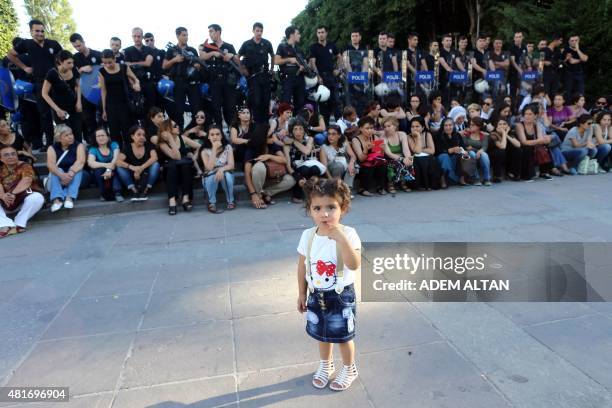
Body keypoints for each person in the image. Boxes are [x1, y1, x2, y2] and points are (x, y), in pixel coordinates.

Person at [296, 177, 361, 391]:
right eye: (317, 208)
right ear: (310, 210)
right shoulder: (308, 236)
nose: (324, 214)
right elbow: (302, 267)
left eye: (331, 207)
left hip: (341, 296)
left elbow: (354, 264)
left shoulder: (349, 234)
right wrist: (301, 294)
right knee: (321, 334)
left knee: (343, 336)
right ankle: (326, 365)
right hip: (316, 294)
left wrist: (341, 239)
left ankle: (350, 368)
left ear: (342, 207)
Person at [7, 20, 62, 150]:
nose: (40, 33)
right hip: (39, 83)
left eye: (42, 31)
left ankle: (62, 142)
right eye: (37, 31)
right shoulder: (26, 44)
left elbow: (63, 58)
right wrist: (25, 67)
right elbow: (10, 54)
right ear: (31, 32)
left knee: (59, 111)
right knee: (44, 114)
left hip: (56, 82)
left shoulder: (53, 44)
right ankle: (49, 144)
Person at [244, 124, 295, 209]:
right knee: (259, 166)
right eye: (271, 136)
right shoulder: (252, 148)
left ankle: (266, 193)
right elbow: (247, 173)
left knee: (291, 180)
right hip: (256, 180)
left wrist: (270, 156)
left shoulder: (272, 145)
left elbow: (284, 160)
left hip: (272, 178)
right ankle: (259, 196)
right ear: (262, 137)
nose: (274, 138)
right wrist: (253, 194)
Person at [163, 27, 203, 131]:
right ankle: (180, 133)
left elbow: (199, 64)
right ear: (177, 36)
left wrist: (197, 65)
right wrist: (175, 60)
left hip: (192, 83)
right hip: (178, 82)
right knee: (178, 110)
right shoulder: (171, 50)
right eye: (183, 35)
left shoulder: (192, 50)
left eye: (187, 35)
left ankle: (194, 132)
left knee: (196, 108)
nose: (186, 37)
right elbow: (164, 65)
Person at [156, 119, 200, 214]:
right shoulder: (162, 143)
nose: (178, 126)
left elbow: (199, 146)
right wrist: (171, 139)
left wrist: (194, 156)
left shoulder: (182, 138)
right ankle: (172, 200)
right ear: (167, 129)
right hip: (171, 173)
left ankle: (185, 198)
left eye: (177, 125)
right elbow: (176, 156)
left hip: (185, 171)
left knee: (186, 165)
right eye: (175, 125)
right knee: (172, 166)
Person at [99, 49, 141, 146]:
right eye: (105, 63)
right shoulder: (101, 71)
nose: (108, 65)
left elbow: (135, 79)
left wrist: (137, 84)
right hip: (110, 105)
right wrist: (104, 110)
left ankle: (130, 151)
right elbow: (103, 91)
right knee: (114, 131)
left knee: (128, 129)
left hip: (125, 103)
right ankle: (117, 154)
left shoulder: (123, 67)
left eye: (110, 62)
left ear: (115, 59)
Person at [0, 144, 44, 237]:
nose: (11, 156)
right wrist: (3, 196)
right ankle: (5, 225)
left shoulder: (25, 166)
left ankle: (18, 224)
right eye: (6, 155)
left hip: (22, 198)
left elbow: (26, 181)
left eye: (13, 154)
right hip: (5, 202)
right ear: (1, 159)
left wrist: (12, 194)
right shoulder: (1, 169)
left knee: (37, 197)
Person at [201, 24, 239, 128]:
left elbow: (238, 60)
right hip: (214, 81)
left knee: (230, 107)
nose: (210, 33)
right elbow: (202, 57)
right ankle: (219, 132)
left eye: (211, 31)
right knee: (215, 108)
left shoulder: (229, 46)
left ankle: (233, 131)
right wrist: (213, 53)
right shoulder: (208, 46)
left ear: (218, 32)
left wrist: (231, 56)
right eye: (209, 31)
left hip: (228, 82)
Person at [42, 50, 83, 142]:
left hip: (74, 107)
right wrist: (57, 110)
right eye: (68, 63)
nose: (71, 65)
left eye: (72, 62)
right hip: (60, 109)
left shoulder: (74, 70)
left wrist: (79, 102)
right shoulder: (52, 73)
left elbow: (78, 85)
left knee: (78, 134)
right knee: (65, 136)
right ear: (60, 61)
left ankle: (79, 154)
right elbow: (44, 93)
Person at [239, 22, 275, 124]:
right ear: (253, 31)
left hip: (265, 75)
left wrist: (272, 69)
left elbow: (273, 56)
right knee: (256, 100)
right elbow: (238, 57)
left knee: (266, 100)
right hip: (252, 76)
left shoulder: (267, 43)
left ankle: (264, 124)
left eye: (261, 31)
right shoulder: (247, 44)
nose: (259, 33)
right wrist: (242, 69)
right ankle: (255, 122)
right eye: (257, 31)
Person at [70, 33, 103, 144]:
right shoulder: (75, 58)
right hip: (84, 93)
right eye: (75, 46)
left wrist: (93, 68)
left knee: (102, 118)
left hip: (99, 92)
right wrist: (81, 69)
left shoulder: (97, 54)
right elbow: (76, 79)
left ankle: (104, 140)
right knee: (88, 119)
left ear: (83, 42)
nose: (78, 48)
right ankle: (93, 142)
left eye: (79, 45)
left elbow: (107, 68)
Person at [46, 124, 86, 212]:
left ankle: (69, 197)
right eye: (66, 135)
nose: (70, 137)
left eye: (71, 134)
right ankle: (56, 200)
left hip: (78, 176)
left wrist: (70, 173)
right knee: (56, 170)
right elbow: (51, 165)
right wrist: (61, 175)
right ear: (59, 138)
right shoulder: (52, 148)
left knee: (77, 170)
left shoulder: (79, 145)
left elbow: (80, 162)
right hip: (60, 178)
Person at [284, 118, 325, 203]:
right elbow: (288, 166)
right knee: (305, 169)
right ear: (292, 131)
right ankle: (299, 193)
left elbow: (306, 151)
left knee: (314, 168)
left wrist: (294, 142)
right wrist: (297, 177)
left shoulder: (309, 139)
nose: (298, 132)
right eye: (295, 129)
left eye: (301, 129)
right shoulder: (287, 145)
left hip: (311, 166)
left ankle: (313, 192)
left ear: (304, 130)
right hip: (297, 169)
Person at [116, 125, 160, 201]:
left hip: (146, 173)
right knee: (119, 168)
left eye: (143, 135)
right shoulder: (128, 147)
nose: (142, 137)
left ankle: (145, 190)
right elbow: (118, 161)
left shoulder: (148, 145)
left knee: (156, 165)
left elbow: (154, 158)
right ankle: (134, 191)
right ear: (132, 136)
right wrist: (132, 167)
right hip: (132, 174)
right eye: (138, 134)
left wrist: (140, 168)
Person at [309, 25, 341, 124]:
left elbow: (339, 57)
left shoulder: (332, 45)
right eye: (318, 33)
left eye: (322, 32)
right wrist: (318, 76)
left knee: (336, 102)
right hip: (321, 78)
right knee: (323, 104)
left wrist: (338, 69)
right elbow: (312, 62)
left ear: (326, 33)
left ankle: (340, 126)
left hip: (332, 77)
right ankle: (325, 128)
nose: (321, 35)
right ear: (317, 34)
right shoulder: (313, 47)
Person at [200, 125, 235, 213]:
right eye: (212, 135)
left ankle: (231, 200)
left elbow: (231, 165)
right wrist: (214, 148)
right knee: (212, 175)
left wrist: (221, 170)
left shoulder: (228, 147)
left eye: (217, 134)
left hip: (224, 174)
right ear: (208, 137)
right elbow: (209, 168)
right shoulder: (204, 151)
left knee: (226, 175)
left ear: (221, 136)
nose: (215, 137)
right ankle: (211, 202)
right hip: (210, 177)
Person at [124, 27, 156, 120]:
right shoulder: (127, 51)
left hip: (148, 83)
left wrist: (133, 63)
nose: (137, 38)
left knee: (151, 108)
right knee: (137, 109)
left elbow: (148, 63)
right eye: (135, 36)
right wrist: (132, 83)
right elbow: (126, 69)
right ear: (132, 37)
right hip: (135, 83)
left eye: (139, 36)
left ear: (142, 37)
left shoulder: (149, 49)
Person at [516, 104, 554, 181]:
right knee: (527, 148)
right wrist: (539, 141)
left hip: (532, 145)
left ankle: (544, 172)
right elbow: (524, 141)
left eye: (530, 114)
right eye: (526, 114)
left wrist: (542, 140)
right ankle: (526, 175)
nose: (527, 116)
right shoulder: (519, 125)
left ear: (535, 115)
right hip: (521, 147)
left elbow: (540, 139)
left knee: (545, 147)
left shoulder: (537, 124)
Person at [351, 117, 387, 196]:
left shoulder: (375, 137)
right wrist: (366, 150)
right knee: (368, 165)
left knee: (382, 163)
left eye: (371, 128)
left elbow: (380, 156)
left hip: (373, 161)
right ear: (360, 128)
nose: (370, 130)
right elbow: (361, 159)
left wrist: (382, 150)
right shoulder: (356, 140)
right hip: (361, 163)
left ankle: (380, 187)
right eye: (367, 128)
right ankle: (362, 188)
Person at [275, 26, 307, 111]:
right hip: (287, 79)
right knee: (286, 104)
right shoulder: (282, 46)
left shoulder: (299, 49)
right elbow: (276, 61)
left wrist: (303, 67)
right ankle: (284, 123)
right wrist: (289, 59)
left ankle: (298, 123)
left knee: (300, 104)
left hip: (300, 78)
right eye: (298, 33)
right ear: (292, 35)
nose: (300, 35)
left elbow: (305, 63)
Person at [87, 128, 123, 202]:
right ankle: (103, 193)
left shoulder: (114, 144)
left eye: (103, 135)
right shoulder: (93, 149)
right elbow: (91, 163)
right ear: (95, 138)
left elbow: (116, 158)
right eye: (98, 136)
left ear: (107, 136)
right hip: (101, 175)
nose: (101, 138)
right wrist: (106, 166)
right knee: (98, 170)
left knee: (117, 169)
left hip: (113, 170)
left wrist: (109, 169)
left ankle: (117, 193)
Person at [381, 116, 412, 192]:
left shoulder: (402, 134)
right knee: (396, 163)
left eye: (389, 126)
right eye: (384, 127)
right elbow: (388, 153)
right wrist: (402, 159)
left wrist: (407, 158)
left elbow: (405, 148)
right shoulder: (383, 137)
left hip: (401, 156)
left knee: (410, 161)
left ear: (395, 126)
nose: (386, 128)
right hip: (389, 158)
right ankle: (390, 184)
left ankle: (403, 182)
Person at [319, 124, 356, 189]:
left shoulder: (344, 143)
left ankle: (346, 189)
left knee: (354, 166)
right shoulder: (324, 147)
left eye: (333, 134)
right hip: (333, 169)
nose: (330, 136)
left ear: (339, 135)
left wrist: (351, 163)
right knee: (338, 166)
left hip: (344, 166)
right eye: (329, 134)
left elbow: (353, 156)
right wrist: (331, 180)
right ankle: (336, 188)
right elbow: (324, 167)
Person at [407, 116, 438, 190]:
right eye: (412, 126)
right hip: (415, 159)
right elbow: (416, 151)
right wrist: (418, 137)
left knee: (430, 158)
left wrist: (420, 149)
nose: (414, 128)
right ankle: (421, 185)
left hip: (428, 158)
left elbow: (432, 151)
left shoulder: (427, 135)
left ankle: (430, 184)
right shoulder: (409, 137)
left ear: (423, 127)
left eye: (417, 126)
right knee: (420, 159)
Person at [462, 117, 492, 186]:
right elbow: (465, 146)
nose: (470, 126)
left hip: (479, 155)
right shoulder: (466, 135)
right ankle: (475, 178)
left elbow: (484, 146)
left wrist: (479, 151)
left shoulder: (483, 136)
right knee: (472, 153)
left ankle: (486, 178)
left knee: (484, 155)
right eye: (470, 124)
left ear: (478, 126)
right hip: (469, 155)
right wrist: (474, 150)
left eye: (473, 125)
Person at [143, 32, 167, 110]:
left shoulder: (161, 52)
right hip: (148, 83)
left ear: (154, 40)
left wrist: (166, 75)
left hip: (160, 82)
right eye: (147, 41)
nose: (149, 42)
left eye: (151, 40)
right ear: (144, 42)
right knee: (151, 107)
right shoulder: (142, 54)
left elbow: (166, 66)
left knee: (161, 105)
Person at [563, 35, 588, 101]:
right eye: (572, 41)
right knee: (568, 93)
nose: (574, 42)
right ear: (569, 42)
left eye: (576, 40)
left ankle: (580, 109)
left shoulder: (582, 48)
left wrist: (577, 50)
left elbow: (585, 59)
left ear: (579, 41)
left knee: (580, 93)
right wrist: (581, 59)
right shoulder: (566, 50)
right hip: (569, 74)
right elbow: (572, 61)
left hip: (579, 73)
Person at [486, 38, 510, 103]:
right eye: (496, 43)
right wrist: (502, 64)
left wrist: (496, 63)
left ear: (502, 44)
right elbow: (492, 67)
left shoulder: (506, 53)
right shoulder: (489, 53)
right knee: (497, 86)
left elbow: (507, 64)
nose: (498, 45)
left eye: (500, 43)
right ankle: (495, 103)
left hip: (503, 76)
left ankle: (499, 103)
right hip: (493, 75)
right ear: (493, 44)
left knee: (502, 89)